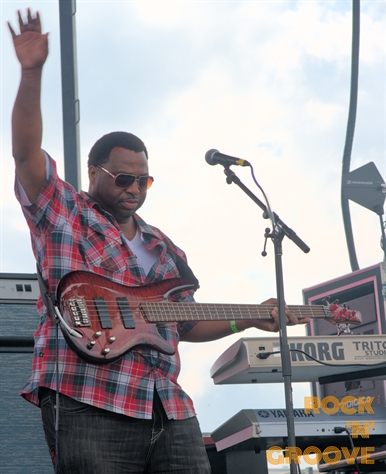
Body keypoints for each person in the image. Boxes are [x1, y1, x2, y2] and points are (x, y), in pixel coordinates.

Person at [8, 9, 310, 474]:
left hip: (168, 407)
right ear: (94, 173)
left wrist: (251, 318)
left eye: (144, 181)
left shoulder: (166, 249)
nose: (133, 188)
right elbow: (27, 153)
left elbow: (184, 324)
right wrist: (32, 73)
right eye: (124, 177)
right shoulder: (64, 213)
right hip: (90, 398)